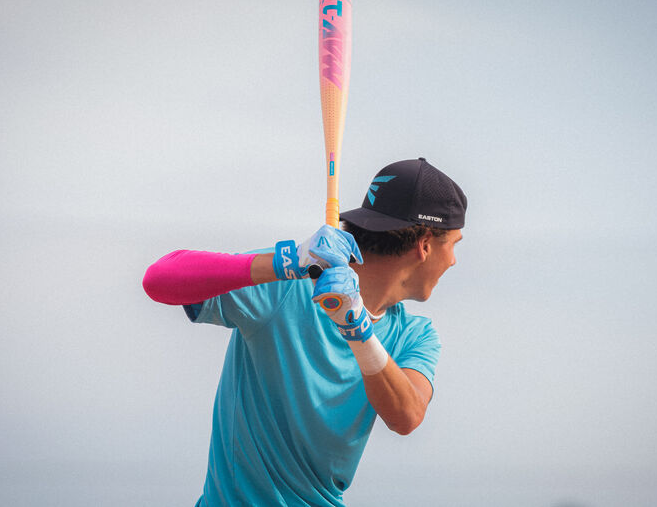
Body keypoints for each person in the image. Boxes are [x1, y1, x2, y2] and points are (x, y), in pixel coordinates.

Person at [143, 157, 467, 506]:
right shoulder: (286, 282)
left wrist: (356, 328)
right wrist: (285, 261)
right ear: (425, 244)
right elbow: (157, 280)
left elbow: (407, 416)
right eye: (454, 244)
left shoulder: (415, 335)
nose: (453, 260)